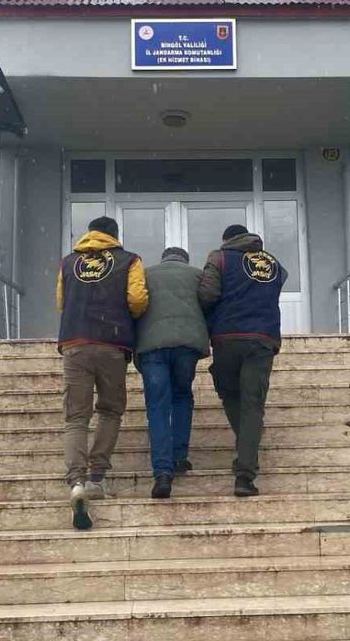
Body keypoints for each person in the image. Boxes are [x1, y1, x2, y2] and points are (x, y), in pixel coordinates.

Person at [56, 216, 148, 530]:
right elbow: (137, 300)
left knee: (76, 417)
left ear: (90, 234)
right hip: (112, 343)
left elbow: (61, 301)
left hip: (75, 342)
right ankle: (96, 477)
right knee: (110, 410)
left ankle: (76, 483)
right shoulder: (129, 261)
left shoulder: (68, 263)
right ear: (115, 235)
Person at [198, 224, 287, 497]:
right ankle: (245, 475)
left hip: (228, 336)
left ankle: (247, 449)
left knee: (230, 394)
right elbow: (277, 285)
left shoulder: (220, 257)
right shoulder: (273, 263)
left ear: (227, 240)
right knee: (252, 404)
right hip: (262, 338)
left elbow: (207, 295)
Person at [134, 247, 210, 499]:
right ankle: (179, 457)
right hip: (187, 346)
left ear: (163, 259)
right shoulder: (197, 275)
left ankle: (162, 473)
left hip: (152, 346)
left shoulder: (147, 274)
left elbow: (135, 303)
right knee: (181, 396)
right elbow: (210, 302)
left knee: (157, 405)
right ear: (185, 260)